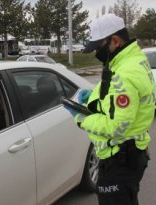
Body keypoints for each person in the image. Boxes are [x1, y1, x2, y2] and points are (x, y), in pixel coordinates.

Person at [64, 14, 155, 205]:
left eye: (99, 47)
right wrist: (96, 99)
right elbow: (117, 97)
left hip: (119, 160)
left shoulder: (125, 73)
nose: (97, 52)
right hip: (129, 154)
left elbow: (116, 127)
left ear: (115, 40)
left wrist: (81, 118)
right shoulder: (131, 59)